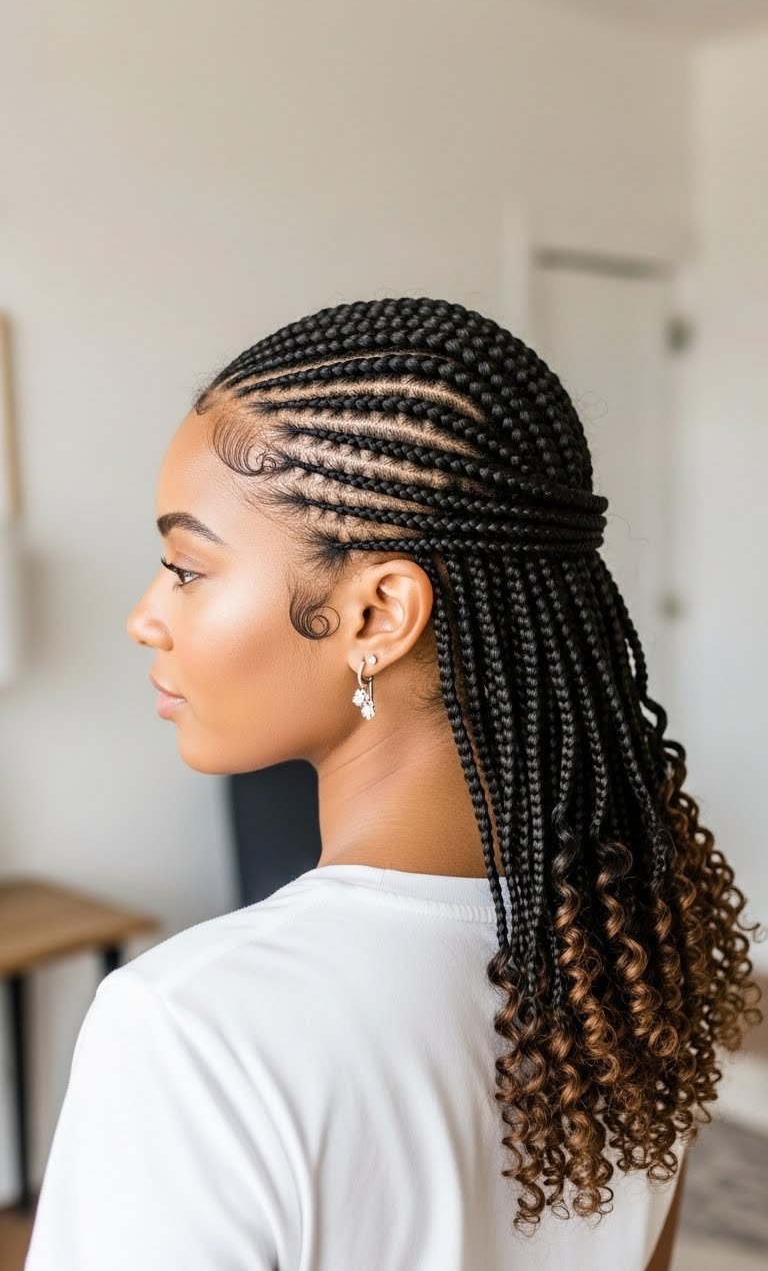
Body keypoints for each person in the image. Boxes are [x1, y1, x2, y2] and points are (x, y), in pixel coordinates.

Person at [26, 296, 762, 1270]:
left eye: (186, 568)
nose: (145, 616)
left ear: (378, 614)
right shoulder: (625, 961)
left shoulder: (189, 1030)